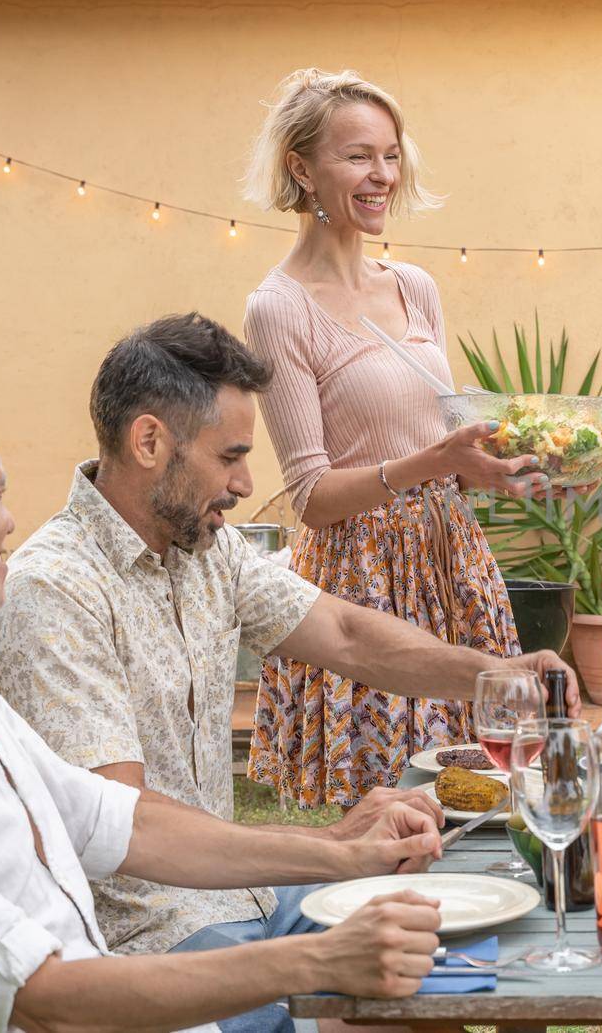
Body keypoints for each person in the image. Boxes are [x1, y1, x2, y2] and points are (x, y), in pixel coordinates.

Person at [0, 369, 448, 1033]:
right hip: (102, 1001)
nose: (10, 518)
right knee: (391, 1008)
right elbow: (47, 1000)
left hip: (129, 996)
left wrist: (345, 851)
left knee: (437, 963)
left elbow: (121, 825)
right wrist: (319, 962)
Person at [0, 315, 576, 993]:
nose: (244, 482)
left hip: (248, 901)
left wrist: (496, 675)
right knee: (404, 975)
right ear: (149, 441)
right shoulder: (53, 591)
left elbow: (346, 635)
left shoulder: (206, 548)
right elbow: (126, 826)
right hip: (149, 947)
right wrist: (332, 847)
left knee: (451, 958)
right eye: (229, 456)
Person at [239, 68, 542, 806]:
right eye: (359, 156)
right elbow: (309, 496)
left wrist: (493, 468)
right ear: (302, 168)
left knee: (488, 783)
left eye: (391, 154)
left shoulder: (415, 287)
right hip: (362, 578)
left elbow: (447, 436)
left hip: (452, 559)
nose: (382, 175)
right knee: (392, 802)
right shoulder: (278, 310)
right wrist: (435, 459)